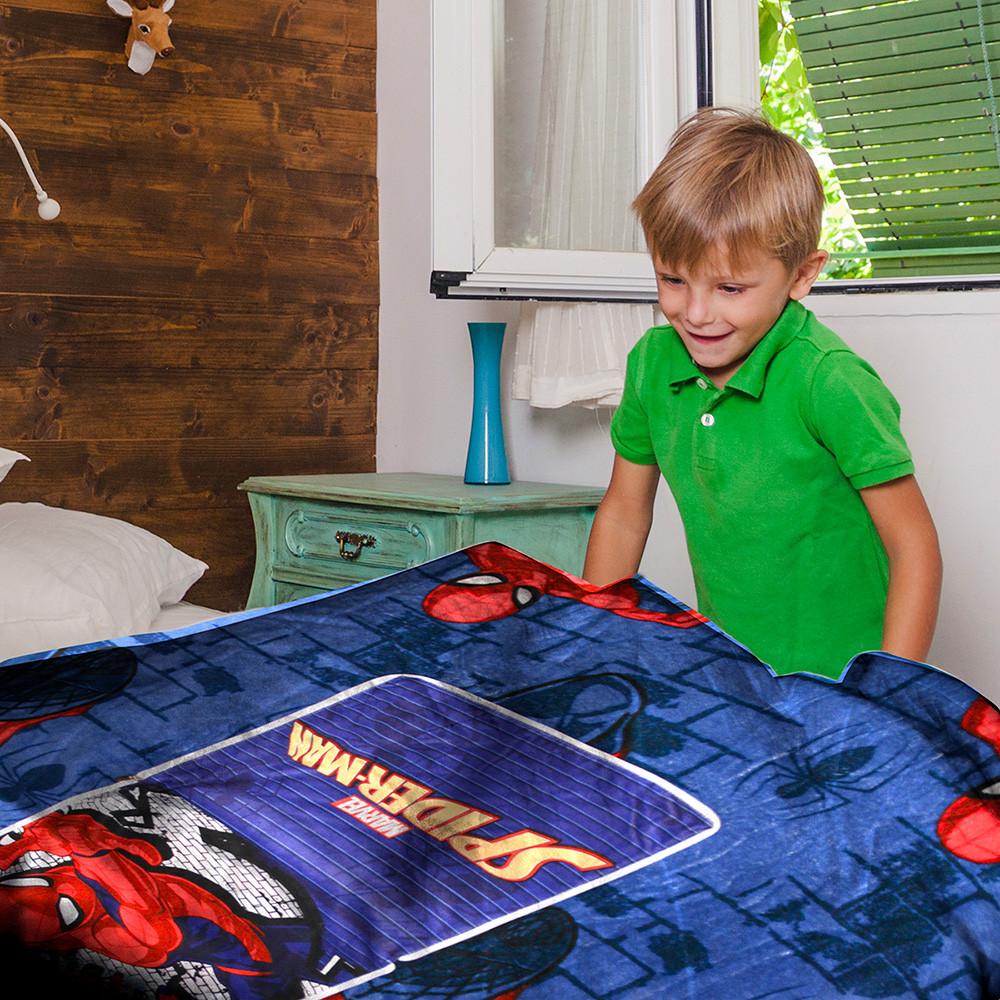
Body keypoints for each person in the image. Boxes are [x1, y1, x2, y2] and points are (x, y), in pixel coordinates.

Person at [583, 107, 942, 679]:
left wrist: (890, 688)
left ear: (801, 275)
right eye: (673, 279)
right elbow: (626, 512)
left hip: (846, 680)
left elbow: (914, 545)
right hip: (737, 671)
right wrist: (588, 637)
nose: (695, 312)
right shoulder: (652, 364)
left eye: (729, 288)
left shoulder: (829, 380)